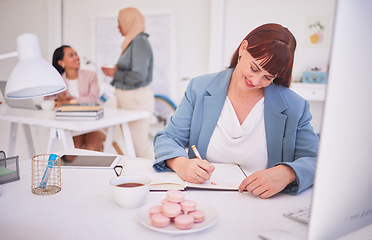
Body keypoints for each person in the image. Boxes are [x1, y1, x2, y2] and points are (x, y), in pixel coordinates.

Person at [153, 23, 319, 199]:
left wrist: (287, 173)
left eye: (268, 77)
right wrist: (181, 164)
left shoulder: (295, 107)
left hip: (261, 204)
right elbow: (168, 138)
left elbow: (315, 160)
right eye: (254, 68)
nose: (255, 81)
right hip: (202, 198)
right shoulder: (199, 88)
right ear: (243, 48)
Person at [101, 7, 155, 159]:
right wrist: (118, 70)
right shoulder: (132, 42)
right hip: (129, 100)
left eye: (120, 22)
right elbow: (134, 70)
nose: (118, 27)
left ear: (129, 21)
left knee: (140, 148)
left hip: (136, 100)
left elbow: (139, 75)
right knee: (130, 145)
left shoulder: (139, 41)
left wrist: (115, 73)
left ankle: (159, 180)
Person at [50, 45, 106, 151]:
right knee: (73, 152)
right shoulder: (57, 81)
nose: (77, 57)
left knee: (91, 149)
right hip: (72, 125)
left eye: (76, 54)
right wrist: (57, 100)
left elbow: (94, 98)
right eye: (71, 55)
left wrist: (70, 102)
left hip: (93, 124)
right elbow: (49, 100)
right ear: (61, 62)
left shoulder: (90, 75)